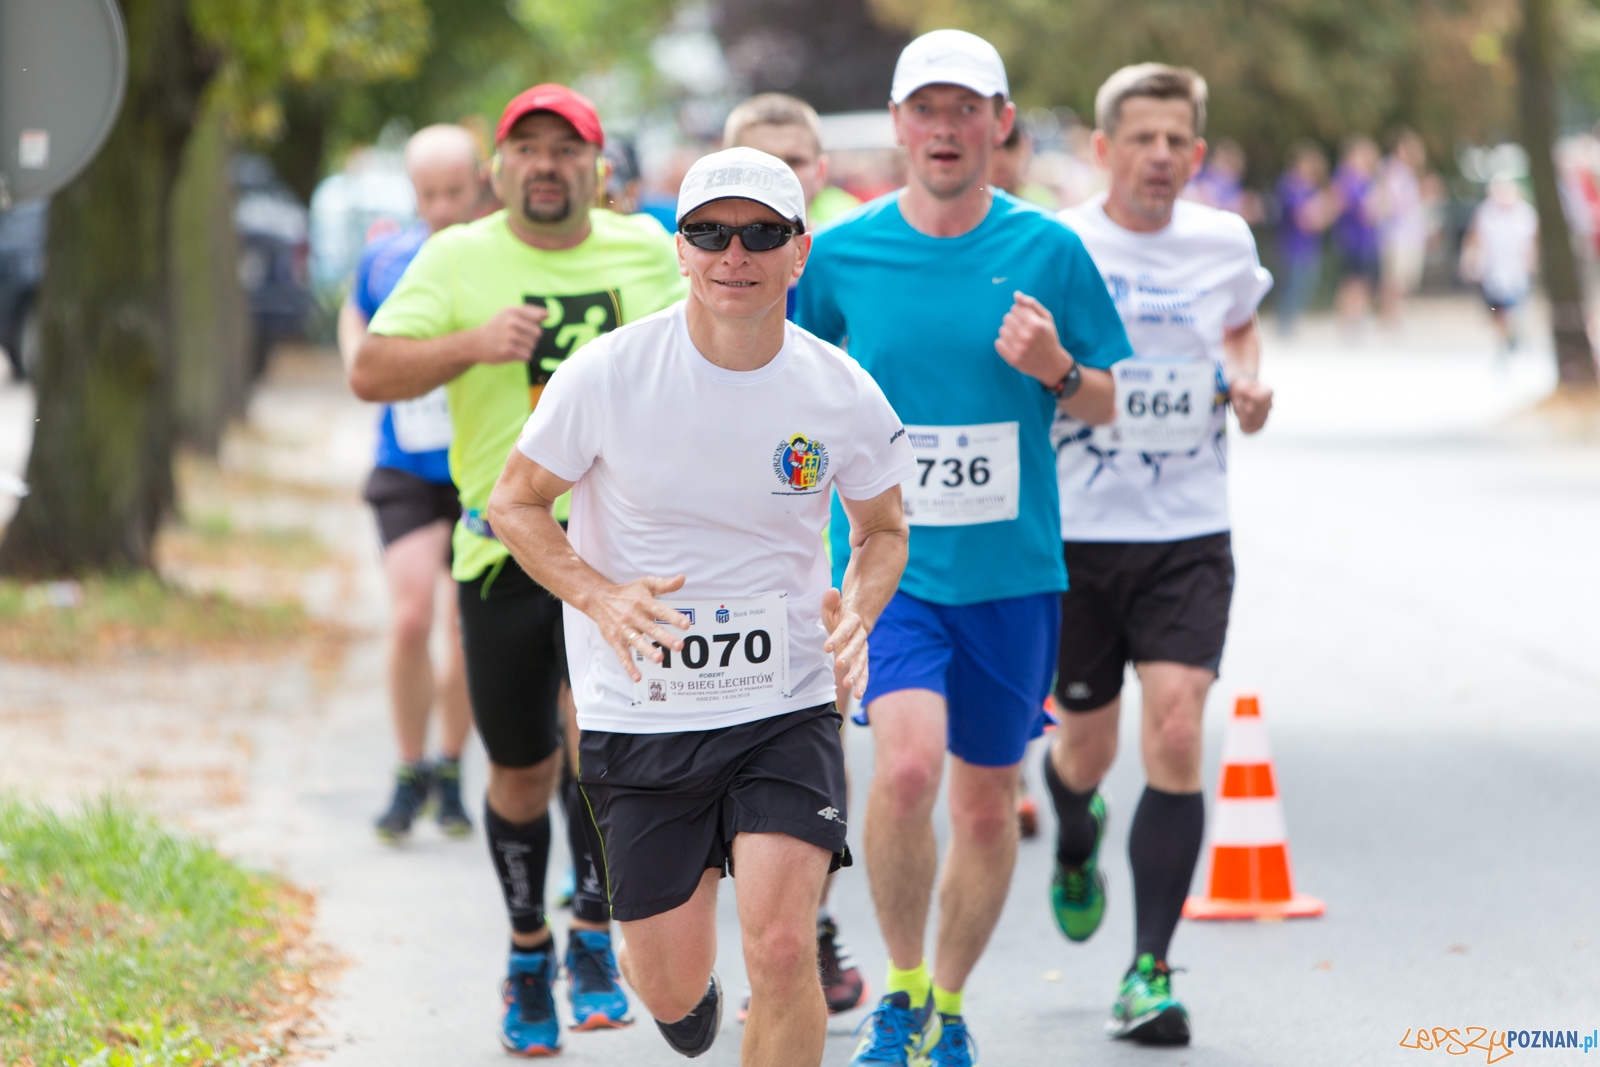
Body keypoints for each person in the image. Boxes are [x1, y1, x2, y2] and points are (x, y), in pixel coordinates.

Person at [486, 146, 917, 1064]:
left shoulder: (839, 389)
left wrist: (861, 610)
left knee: (782, 947)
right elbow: (513, 503)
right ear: (679, 249)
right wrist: (599, 597)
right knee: (670, 984)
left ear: (799, 252)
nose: (735, 254)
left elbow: (883, 528)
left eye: (761, 233)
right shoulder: (607, 375)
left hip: (786, 701)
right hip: (641, 709)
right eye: (710, 233)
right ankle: (689, 1001)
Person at [797, 29, 1132, 1067]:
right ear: (899, 128)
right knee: (901, 770)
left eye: (965, 109)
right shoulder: (842, 252)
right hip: (890, 570)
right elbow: (790, 395)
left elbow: (1107, 399)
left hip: (1012, 575)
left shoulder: (1048, 249)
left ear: (999, 125)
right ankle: (898, 996)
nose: (944, 128)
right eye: (925, 110)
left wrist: (1055, 366)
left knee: (985, 799)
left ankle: (947, 1000)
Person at [351, 83, 687, 1055]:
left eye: (566, 149)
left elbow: (714, 361)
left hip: (619, 558)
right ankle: (527, 948)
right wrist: (471, 345)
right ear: (500, 169)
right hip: (499, 553)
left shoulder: (646, 251)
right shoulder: (455, 257)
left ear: (599, 168)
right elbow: (370, 370)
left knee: (603, 751)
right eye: (527, 149)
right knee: (519, 770)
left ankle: (591, 932)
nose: (546, 165)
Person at [1048, 63, 1275, 1046]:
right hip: (1072, 535)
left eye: (1177, 140)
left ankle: (1148, 970)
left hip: (1185, 529)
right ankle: (1072, 825)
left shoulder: (1223, 239)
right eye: (1141, 138)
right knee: (1087, 747)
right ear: (1102, 148)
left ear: (1196, 148)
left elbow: (1239, 329)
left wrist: (1248, 382)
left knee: (1177, 730)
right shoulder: (1058, 241)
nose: (1160, 156)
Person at [720, 88, 871, 1019]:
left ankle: (807, 923)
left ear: (821, 173)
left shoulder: (849, 249)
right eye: (763, 161)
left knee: (825, 726)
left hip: (844, 529)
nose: (786, 177)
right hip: (750, 547)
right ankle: (778, 932)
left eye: (799, 163)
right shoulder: (718, 256)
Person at [337, 124, 482, 843]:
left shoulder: (493, 256)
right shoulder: (385, 256)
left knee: (463, 629)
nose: (443, 207)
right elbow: (356, 323)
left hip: (474, 468)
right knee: (408, 617)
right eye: (429, 194)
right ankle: (408, 766)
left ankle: (452, 766)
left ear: (479, 181)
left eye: (455, 191)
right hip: (405, 465)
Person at [1459, 174, 1539, 353]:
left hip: (1516, 271)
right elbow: (1475, 238)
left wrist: (1532, 261)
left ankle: (1511, 335)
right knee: (1496, 309)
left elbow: (1532, 242)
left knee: (1514, 308)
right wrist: (1470, 261)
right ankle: (1505, 338)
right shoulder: (1485, 213)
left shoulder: (1526, 214)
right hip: (1492, 270)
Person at [1274, 141, 1334, 335]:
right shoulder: (1290, 185)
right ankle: (1284, 326)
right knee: (1292, 286)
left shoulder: (1310, 188)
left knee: (1304, 286)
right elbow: (1305, 218)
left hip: (1308, 246)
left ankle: (1291, 324)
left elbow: (1322, 218)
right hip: (1292, 245)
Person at [1378, 129, 1433, 323]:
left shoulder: (1409, 174)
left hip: (1410, 234)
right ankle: (1389, 316)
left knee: (1405, 279)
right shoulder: (1390, 170)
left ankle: (1395, 315)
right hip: (1395, 234)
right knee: (1394, 279)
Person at [1331, 135, 1383, 332]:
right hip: (1351, 237)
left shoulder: (1366, 180)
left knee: (1362, 280)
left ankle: (1356, 317)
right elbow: (1364, 210)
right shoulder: (1347, 178)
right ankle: (1347, 319)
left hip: (1365, 238)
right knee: (1351, 281)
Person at [989, 124, 1058, 209]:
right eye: (991, 147)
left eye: (1011, 143)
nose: (1001, 158)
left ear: (1026, 146)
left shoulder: (1041, 202)